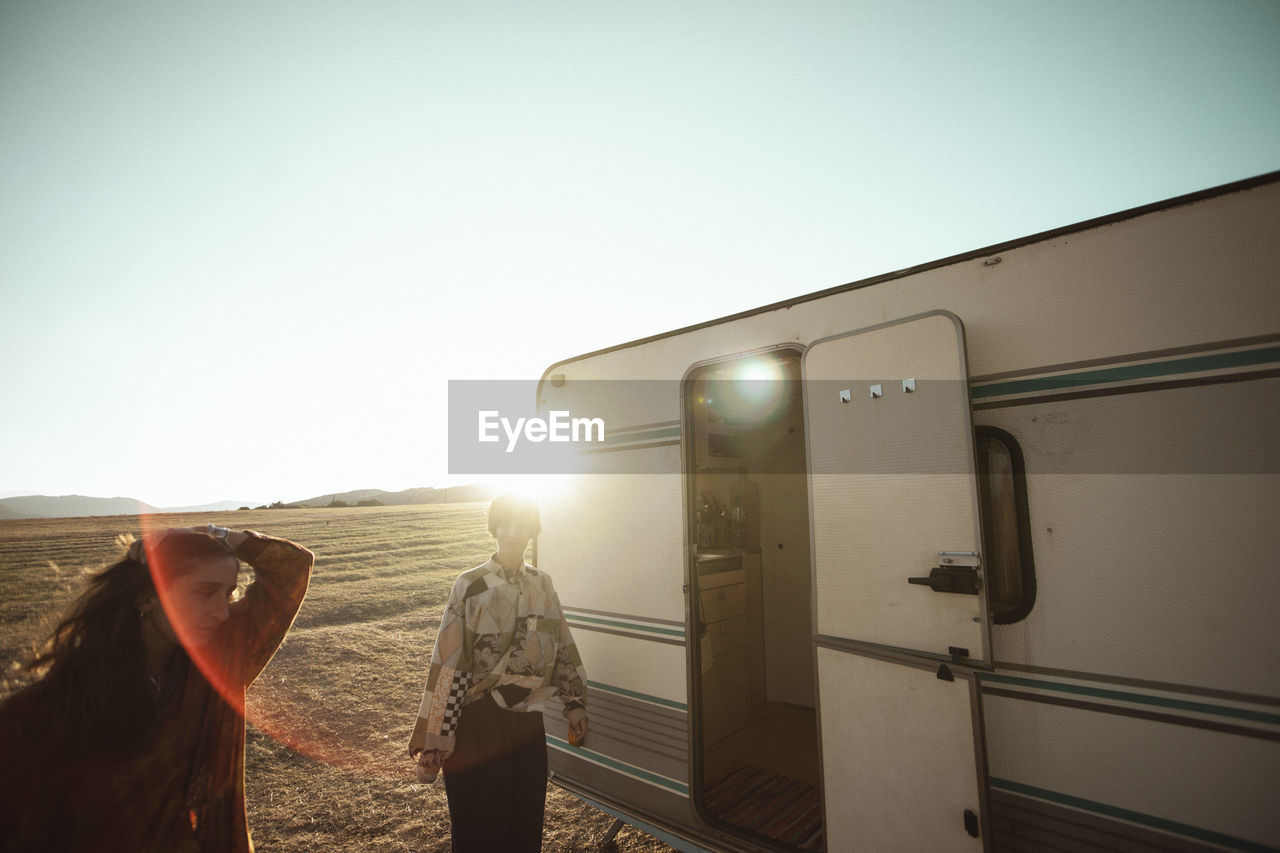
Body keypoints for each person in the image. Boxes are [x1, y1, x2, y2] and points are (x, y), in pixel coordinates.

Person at [0, 524, 313, 852]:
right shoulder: (48, 710)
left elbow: (292, 568)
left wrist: (212, 534)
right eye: (205, 592)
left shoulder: (220, 660)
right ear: (146, 596)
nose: (222, 612)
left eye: (228, 593)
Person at [408, 493, 588, 852]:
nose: (513, 532)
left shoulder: (543, 585)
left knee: (524, 825)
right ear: (494, 528)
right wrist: (435, 739)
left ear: (531, 531)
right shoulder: (470, 586)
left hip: (526, 725)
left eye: (522, 524)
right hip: (478, 722)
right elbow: (449, 662)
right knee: (479, 829)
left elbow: (562, 646)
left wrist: (575, 704)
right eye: (505, 523)